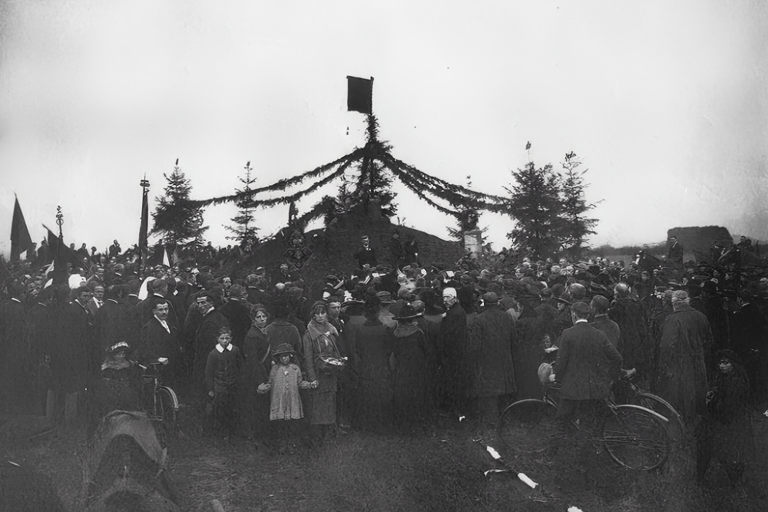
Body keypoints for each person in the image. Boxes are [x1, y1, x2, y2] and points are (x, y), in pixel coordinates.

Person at [552, 302, 623, 439]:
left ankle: (549, 456)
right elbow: (617, 358)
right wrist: (610, 377)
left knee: (561, 421)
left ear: (574, 315)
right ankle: (586, 454)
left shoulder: (568, 333)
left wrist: (557, 378)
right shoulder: (599, 334)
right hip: (594, 387)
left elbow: (561, 362)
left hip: (573, 387)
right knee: (588, 422)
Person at [652, 290, 712, 429]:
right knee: (697, 392)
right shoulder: (701, 316)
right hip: (698, 360)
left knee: (682, 395)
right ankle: (697, 424)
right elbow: (709, 340)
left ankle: (682, 427)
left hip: (679, 364)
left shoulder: (672, 319)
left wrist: (666, 366)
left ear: (674, 303)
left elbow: (666, 346)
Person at [697, 350, 753, 487]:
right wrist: (714, 394)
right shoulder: (726, 379)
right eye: (720, 363)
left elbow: (728, 406)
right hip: (722, 421)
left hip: (729, 423)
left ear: (733, 365)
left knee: (723, 452)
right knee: (709, 448)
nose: (721, 366)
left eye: (726, 363)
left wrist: (711, 403)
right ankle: (698, 478)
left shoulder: (736, 383)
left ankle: (735, 482)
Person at [466, 292, 517, 429]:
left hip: (487, 359)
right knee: (505, 390)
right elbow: (513, 338)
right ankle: (505, 418)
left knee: (489, 393)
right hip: (504, 357)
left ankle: (491, 421)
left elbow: (475, 344)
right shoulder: (507, 317)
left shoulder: (479, 319)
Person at [257, 343, 311, 454]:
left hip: (292, 400)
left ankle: (292, 445)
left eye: (286, 356)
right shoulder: (275, 369)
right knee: (280, 425)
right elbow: (270, 383)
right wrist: (262, 388)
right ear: (278, 358)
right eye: (281, 357)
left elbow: (300, 383)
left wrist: (309, 385)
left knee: (292, 425)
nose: (284, 358)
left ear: (290, 356)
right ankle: (281, 446)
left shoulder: (295, 369)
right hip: (279, 400)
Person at [302, 301, 342, 442]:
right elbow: (307, 358)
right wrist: (312, 378)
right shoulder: (309, 335)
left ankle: (329, 434)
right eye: (317, 313)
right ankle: (316, 437)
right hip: (318, 374)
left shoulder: (331, 331)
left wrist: (338, 362)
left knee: (330, 404)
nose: (320, 316)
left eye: (322, 312)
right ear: (313, 315)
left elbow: (336, 350)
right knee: (318, 406)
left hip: (330, 373)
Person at [389, 304, 432, 431]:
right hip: (417, 368)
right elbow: (427, 351)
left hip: (401, 368)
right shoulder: (418, 333)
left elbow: (393, 352)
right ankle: (416, 422)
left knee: (403, 395)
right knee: (417, 394)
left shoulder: (395, 333)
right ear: (411, 319)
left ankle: (403, 422)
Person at [204, 327, 244, 438]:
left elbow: (240, 367)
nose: (225, 341)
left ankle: (233, 432)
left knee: (233, 409)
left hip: (233, 385)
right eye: (222, 338)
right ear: (217, 339)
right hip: (220, 386)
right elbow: (209, 373)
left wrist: (239, 381)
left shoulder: (235, 351)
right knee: (220, 410)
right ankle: (221, 433)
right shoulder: (213, 354)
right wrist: (211, 389)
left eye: (227, 338)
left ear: (231, 339)